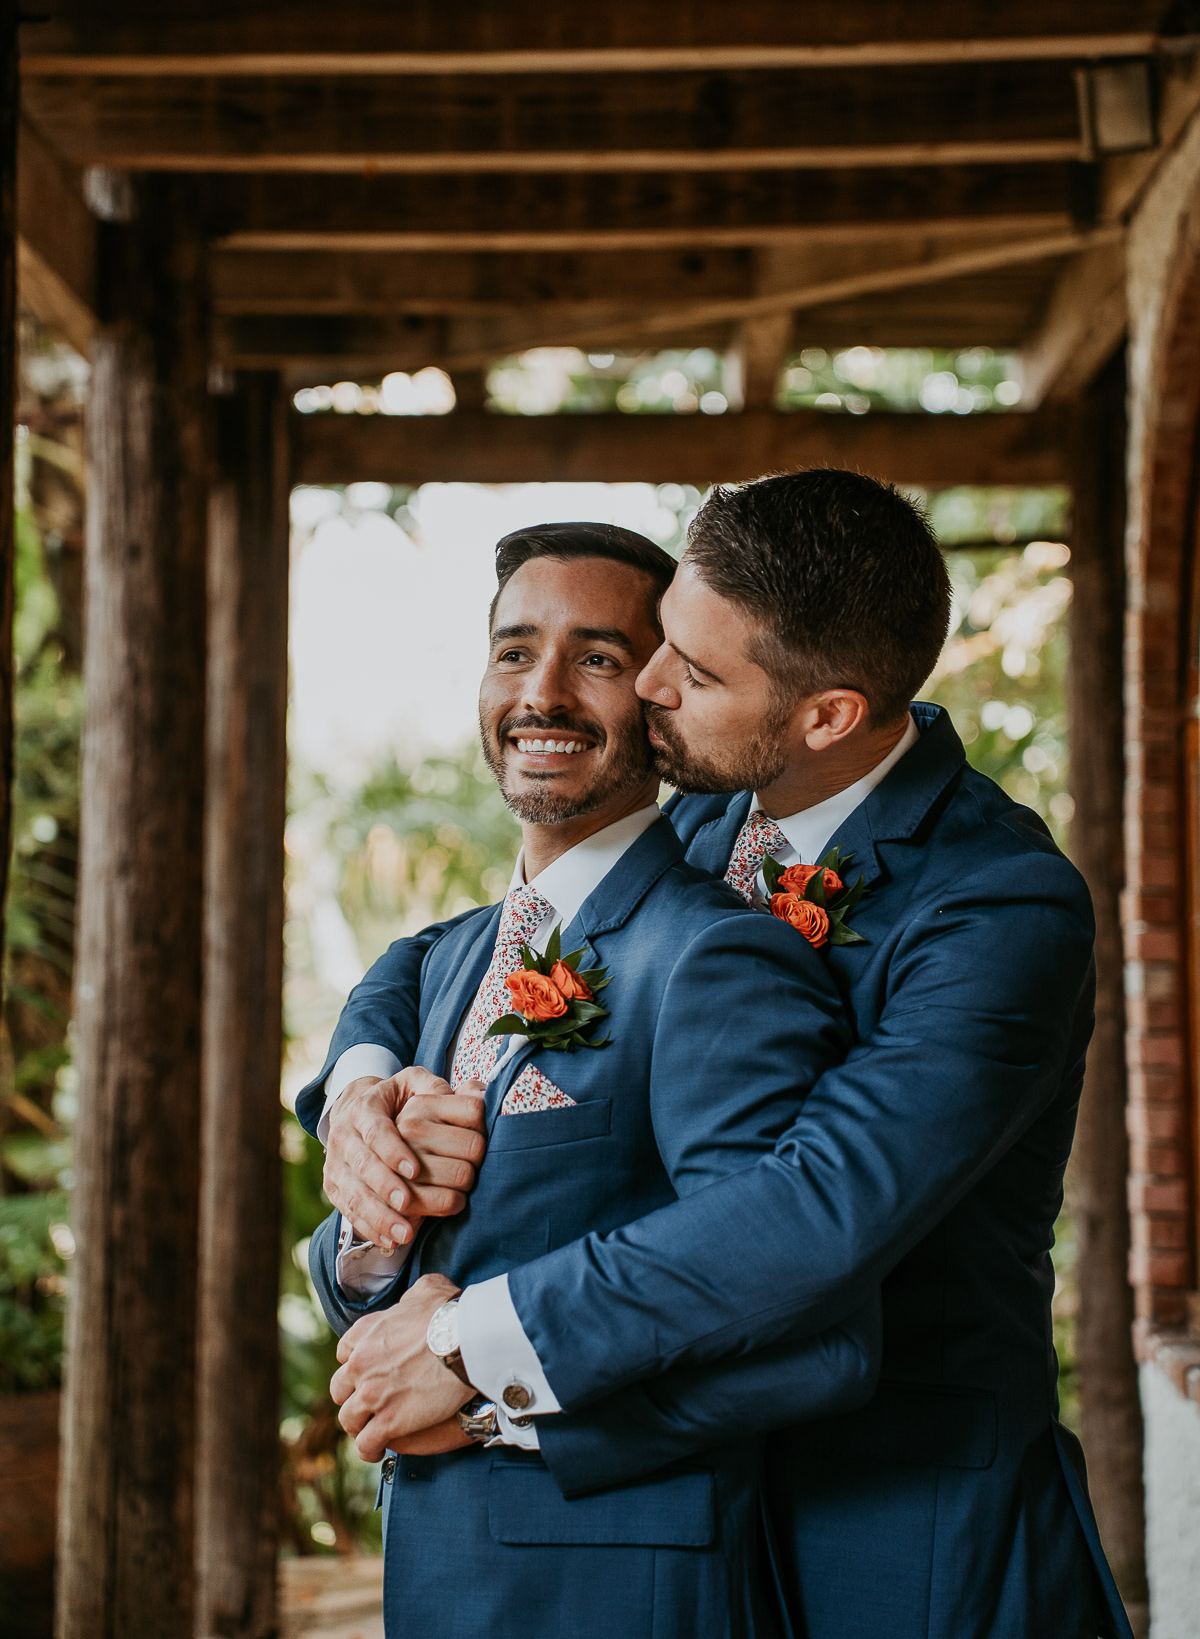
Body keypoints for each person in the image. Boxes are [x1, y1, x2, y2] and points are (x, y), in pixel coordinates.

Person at [305, 473, 1132, 1639]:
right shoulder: (710, 800)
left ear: (826, 715)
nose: (647, 684)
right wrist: (362, 1091)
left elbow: (814, 1204)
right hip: (675, 1502)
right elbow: (458, 942)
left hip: (895, 1525)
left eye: (689, 672)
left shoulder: (998, 907)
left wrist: (469, 1348)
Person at [307, 522, 880, 1639]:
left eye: (600, 658)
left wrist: (487, 1405)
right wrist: (379, 1221)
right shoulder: (459, 956)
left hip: (623, 1586)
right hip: (442, 1574)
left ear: (661, 695)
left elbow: (807, 1336)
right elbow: (393, 1274)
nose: (545, 693)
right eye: (515, 651)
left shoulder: (716, 956)